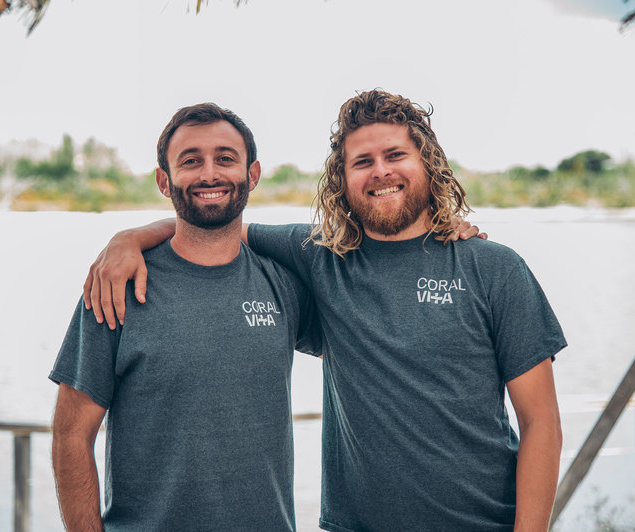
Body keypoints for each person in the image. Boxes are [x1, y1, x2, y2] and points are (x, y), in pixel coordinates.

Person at [84, 90, 564, 531]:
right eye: (363, 161)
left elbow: (540, 422)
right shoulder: (319, 256)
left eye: (395, 155)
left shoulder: (493, 267)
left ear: (428, 163)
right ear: (343, 178)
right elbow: (216, 222)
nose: (381, 171)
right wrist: (129, 238)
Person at [50, 103, 323, 531]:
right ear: (164, 181)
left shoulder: (284, 284)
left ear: (252, 174)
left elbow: (367, 325)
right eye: (190, 161)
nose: (209, 174)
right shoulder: (115, 285)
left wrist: (445, 234)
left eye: (225, 158)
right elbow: (71, 435)